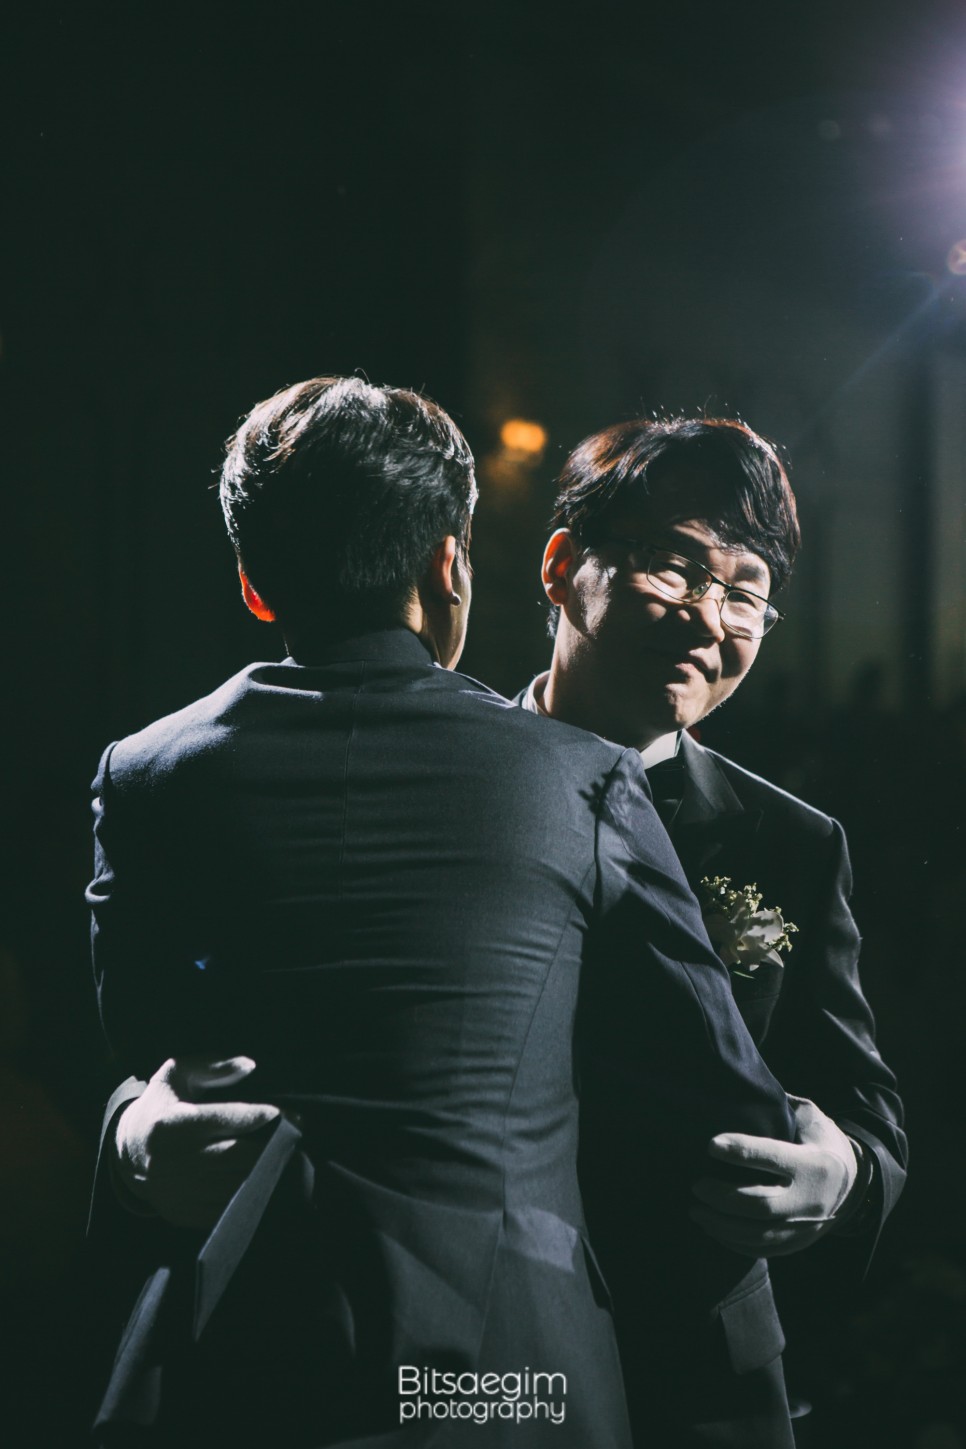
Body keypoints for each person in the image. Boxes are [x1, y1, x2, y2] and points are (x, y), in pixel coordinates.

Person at [86, 379, 799, 1449]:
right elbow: (724, 1094)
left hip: (242, 1361)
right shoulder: (579, 777)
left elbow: (140, 1053)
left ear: (255, 585)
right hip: (501, 1376)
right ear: (448, 566)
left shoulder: (147, 772)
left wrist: (133, 1132)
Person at [524, 416, 906, 1439]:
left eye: (745, 592)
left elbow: (866, 1110)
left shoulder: (791, 841)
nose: (709, 617)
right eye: (676, 567)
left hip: (697, 1371)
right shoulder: (444, 780)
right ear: (562, 568)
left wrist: (842, 1174)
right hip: (481, 1344)